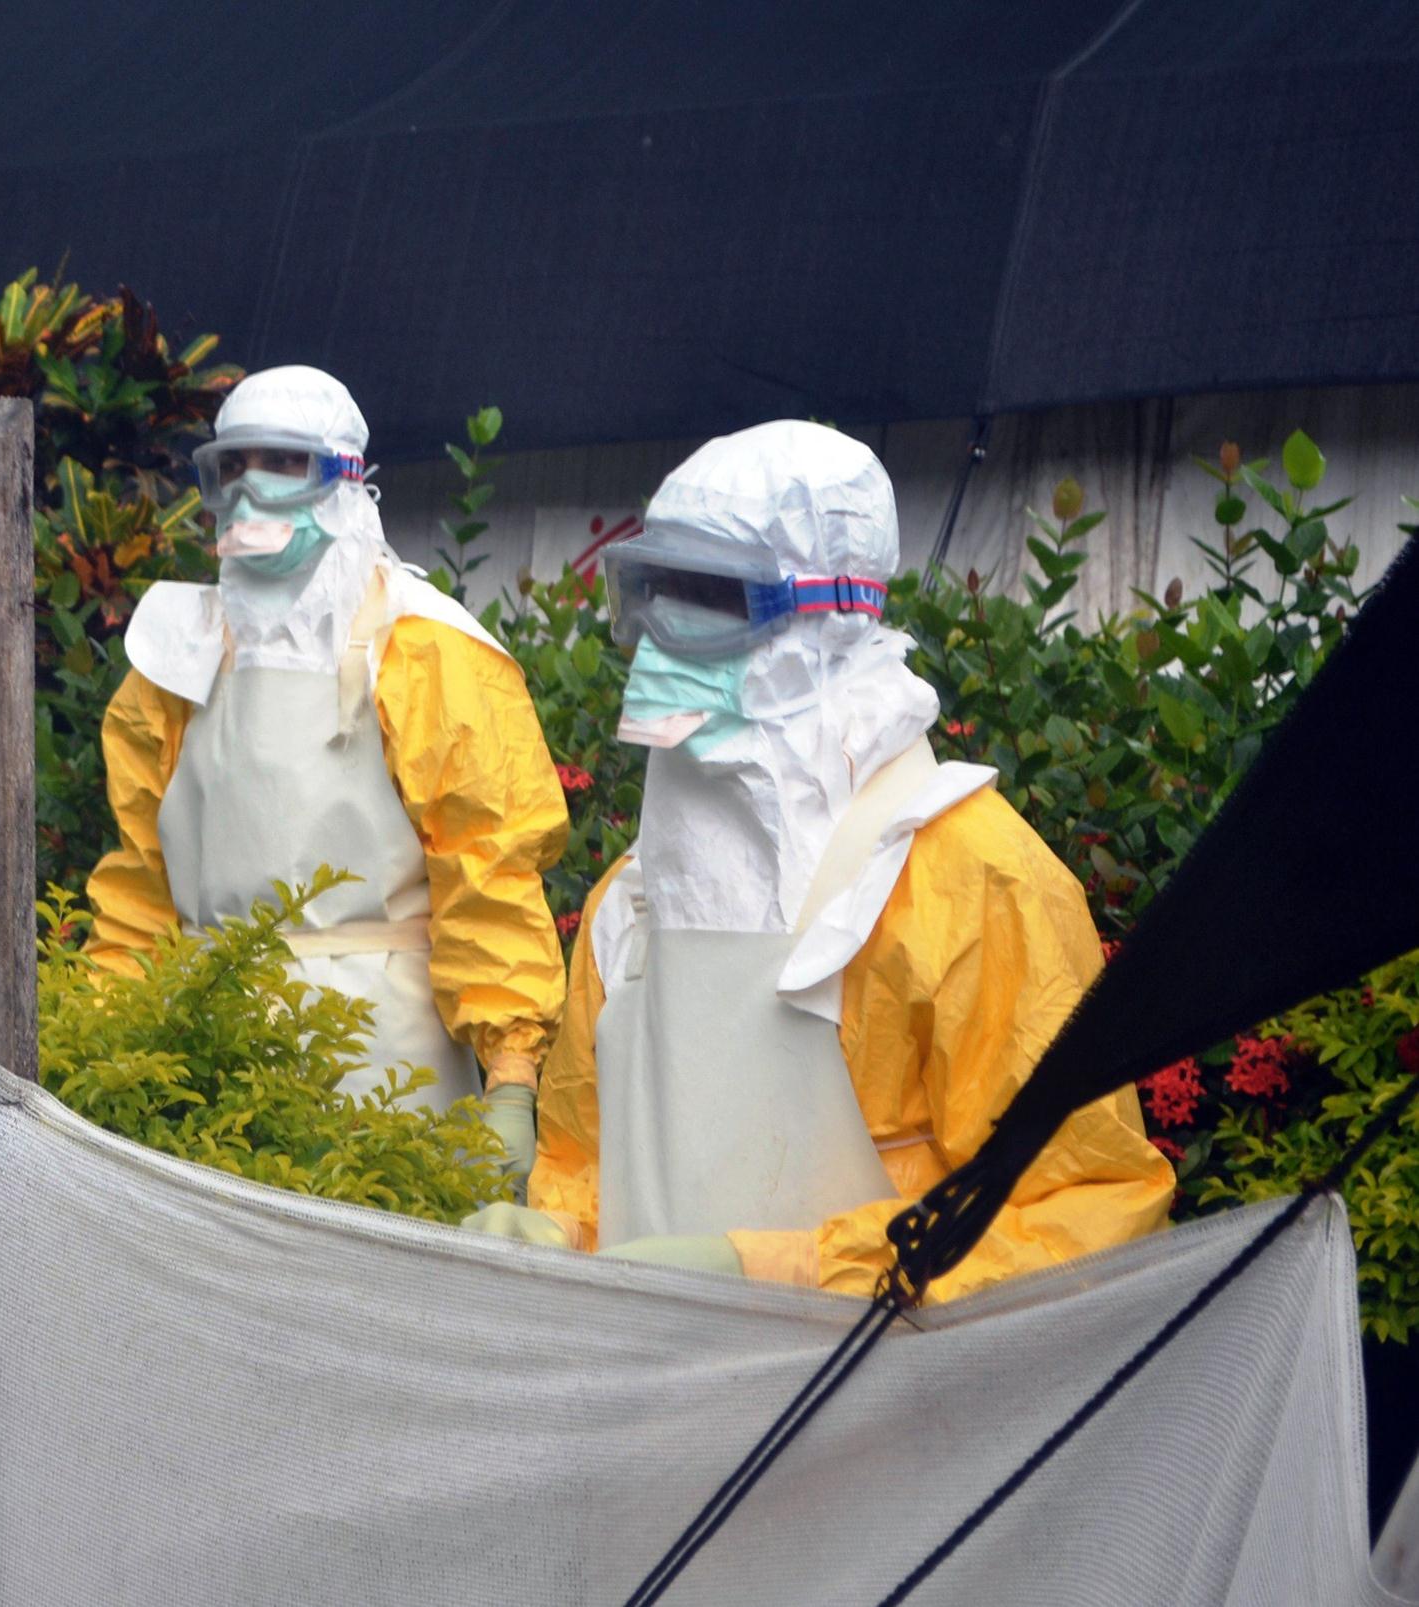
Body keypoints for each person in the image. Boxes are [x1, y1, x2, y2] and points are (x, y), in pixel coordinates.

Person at [467, 420, 1174, 1299]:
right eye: (652, 590)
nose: (660, 639)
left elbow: (1087, 1213)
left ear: (837, 616)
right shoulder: (632, 903)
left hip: (892, 1418)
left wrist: (795, 1270)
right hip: (662, 1409)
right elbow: (586, 1166)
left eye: (709, 595)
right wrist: (556, 1232)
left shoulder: (972, 878)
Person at [84, 366, 565, 1165]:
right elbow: (141, 885)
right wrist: (109, 1038)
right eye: (230, 468)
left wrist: (511, 1072)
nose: (248, 492)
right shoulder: (176, 654)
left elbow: (489, 872)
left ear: (347, 481)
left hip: (388, 1069)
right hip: (205, 1057)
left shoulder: (431, 650)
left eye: (281, 464)